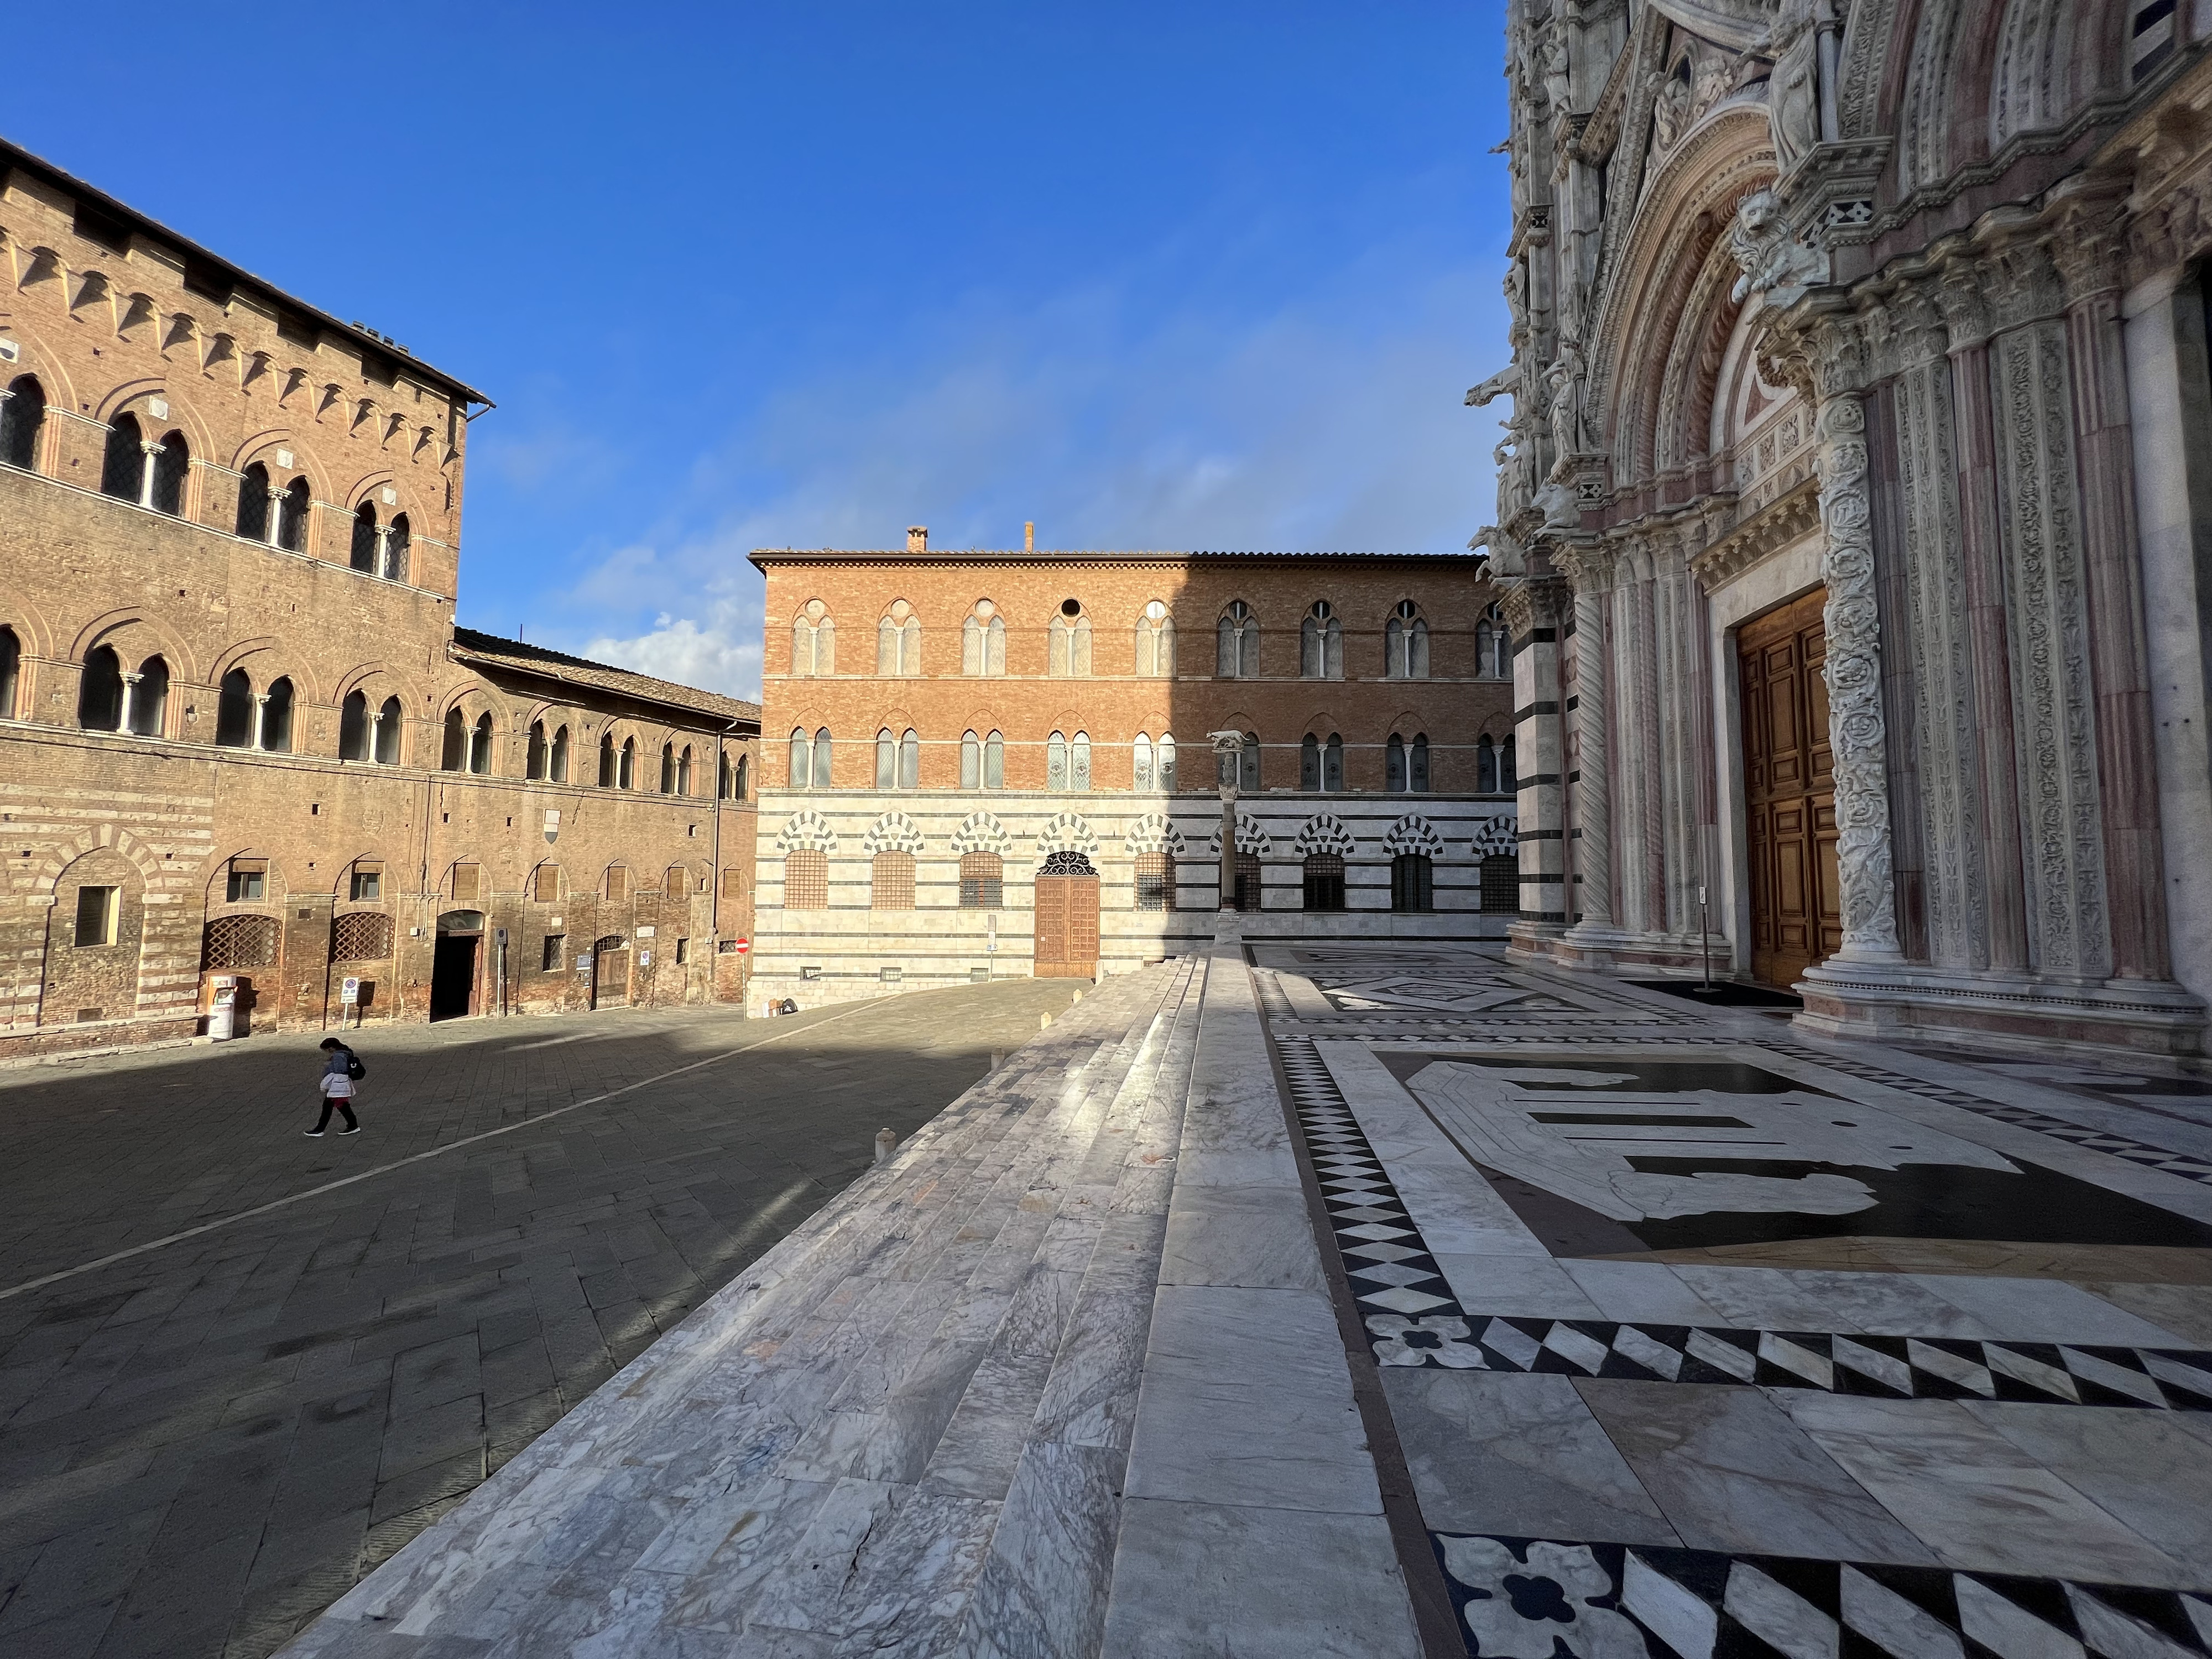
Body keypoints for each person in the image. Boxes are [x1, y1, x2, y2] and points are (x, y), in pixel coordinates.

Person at [308, 1036, 363, 1136]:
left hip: (338, 1085)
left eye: (327, 1050)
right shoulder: (346, 1052)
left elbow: (340, 1070)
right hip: (340, 1085)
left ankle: (352, 1125)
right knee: (330, 1106)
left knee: (340, 1106)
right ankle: (320, 1129)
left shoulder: (339, 1056)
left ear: (331, 1048)